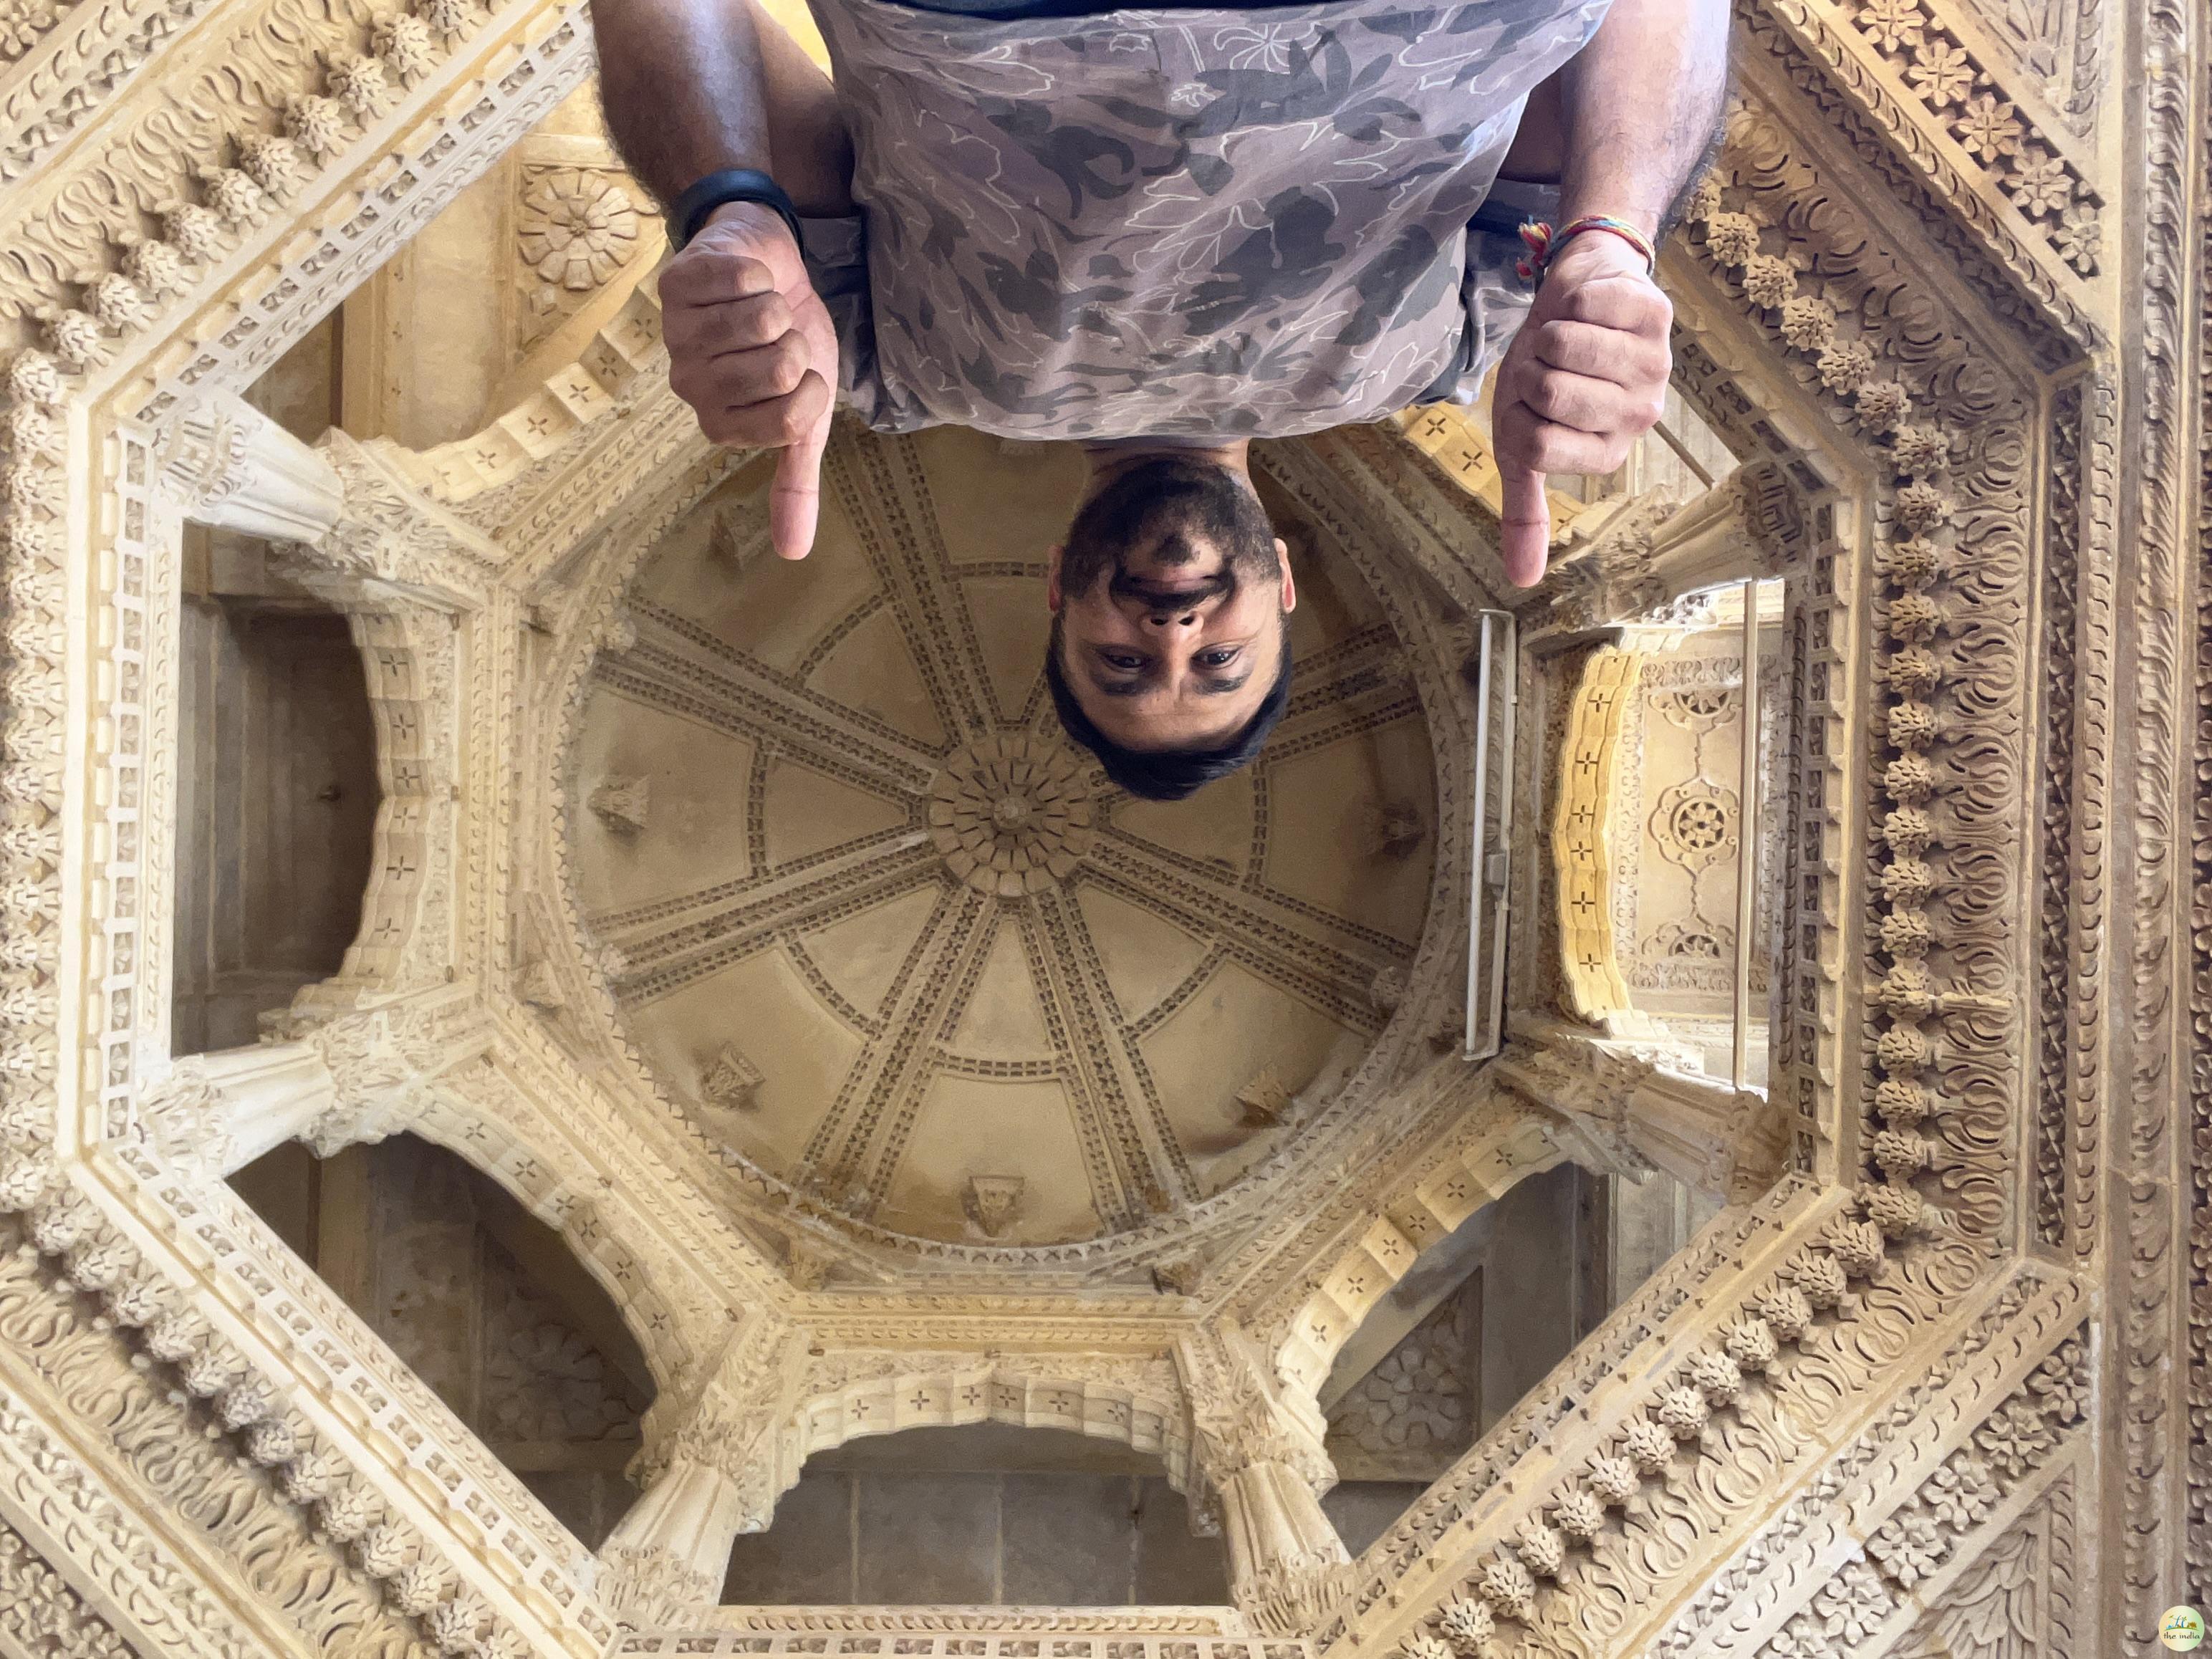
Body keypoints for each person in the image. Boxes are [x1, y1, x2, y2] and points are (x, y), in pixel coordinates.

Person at [593, 0, 1726, 797]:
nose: (1173, 634)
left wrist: (729, 208)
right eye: (1218, 663)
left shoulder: (891, 367)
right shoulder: (1440, 354)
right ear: (1281, 581)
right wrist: (1612, 240)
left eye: (1123, 665)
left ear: (1056, 589)